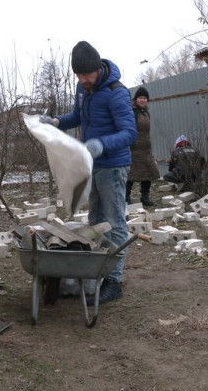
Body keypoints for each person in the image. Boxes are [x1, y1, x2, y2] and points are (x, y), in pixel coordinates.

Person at [39, 41, 137, 304]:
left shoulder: (117, 93)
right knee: (95, 221)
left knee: (115, 222)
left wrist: (102, 144)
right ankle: (96, 273)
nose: (82, 80)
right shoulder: (83, 90)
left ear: (97, 69)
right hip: (92, 165)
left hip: (114, 166)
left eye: (87, 75)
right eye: (79, 76)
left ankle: (114, 281)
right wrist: (58, 122)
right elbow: (78, 116)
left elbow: (130, 133)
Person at [126, 87, 159, 207]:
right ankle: (126, 198)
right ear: (135, 100)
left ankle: (145, 197)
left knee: (148, 172)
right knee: (130, 174)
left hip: (145, 148)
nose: (143, 100)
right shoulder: (132, 112)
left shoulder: (146, 112)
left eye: (145, 98)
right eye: (140, 98)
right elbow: (128, 130)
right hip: (134, 148)